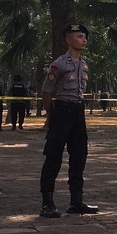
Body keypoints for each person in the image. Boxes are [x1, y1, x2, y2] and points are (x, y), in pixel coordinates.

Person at [39, 24, 99, 218]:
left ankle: (76, 201)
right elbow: (47, 91)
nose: (84, 40)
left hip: (78, 111)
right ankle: (47, 203)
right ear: (69, 39)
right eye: (80, 36)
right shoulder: (59, 64)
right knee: (53, 156)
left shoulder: (84, 64)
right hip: (62, 111)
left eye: (85, 37)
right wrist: (51, 116)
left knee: (79, 155)